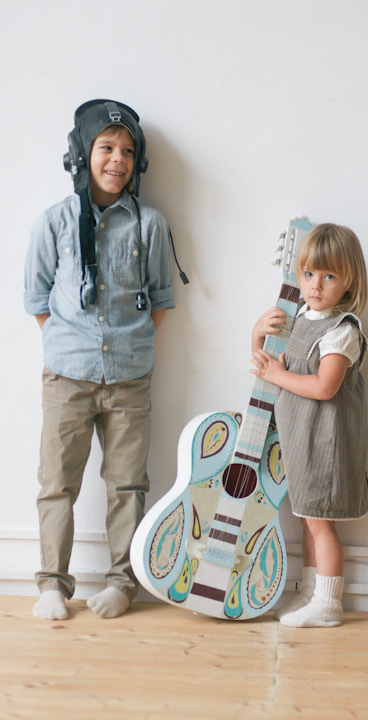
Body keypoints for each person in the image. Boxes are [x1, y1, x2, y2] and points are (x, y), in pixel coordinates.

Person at [24, 99, 176, 620]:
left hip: (131, 378)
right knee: (57, 483)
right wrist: (70, 344)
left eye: (128, 151)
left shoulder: (150, 224)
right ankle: (51, 584)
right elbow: (37, 298)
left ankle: (122, 583)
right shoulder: (54, 221)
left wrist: (132, 344)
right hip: (67, 375)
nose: (118, 160)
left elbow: (161, 298)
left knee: (128, 484)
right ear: (82, 153)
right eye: (107, 147)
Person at [251, 223, 368, 627]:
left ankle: (329, 604)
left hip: (325, 441)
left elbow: (324, 386)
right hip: (298, 438)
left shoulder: (342, 332)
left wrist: (279, 376)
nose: (315, 285)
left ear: (349, 280)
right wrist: (256, 335)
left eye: (329, 276)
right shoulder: (299, 315)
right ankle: (310, 592)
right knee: (307, 517)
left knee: (321, 523)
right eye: (308, 274)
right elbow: (267, 366)